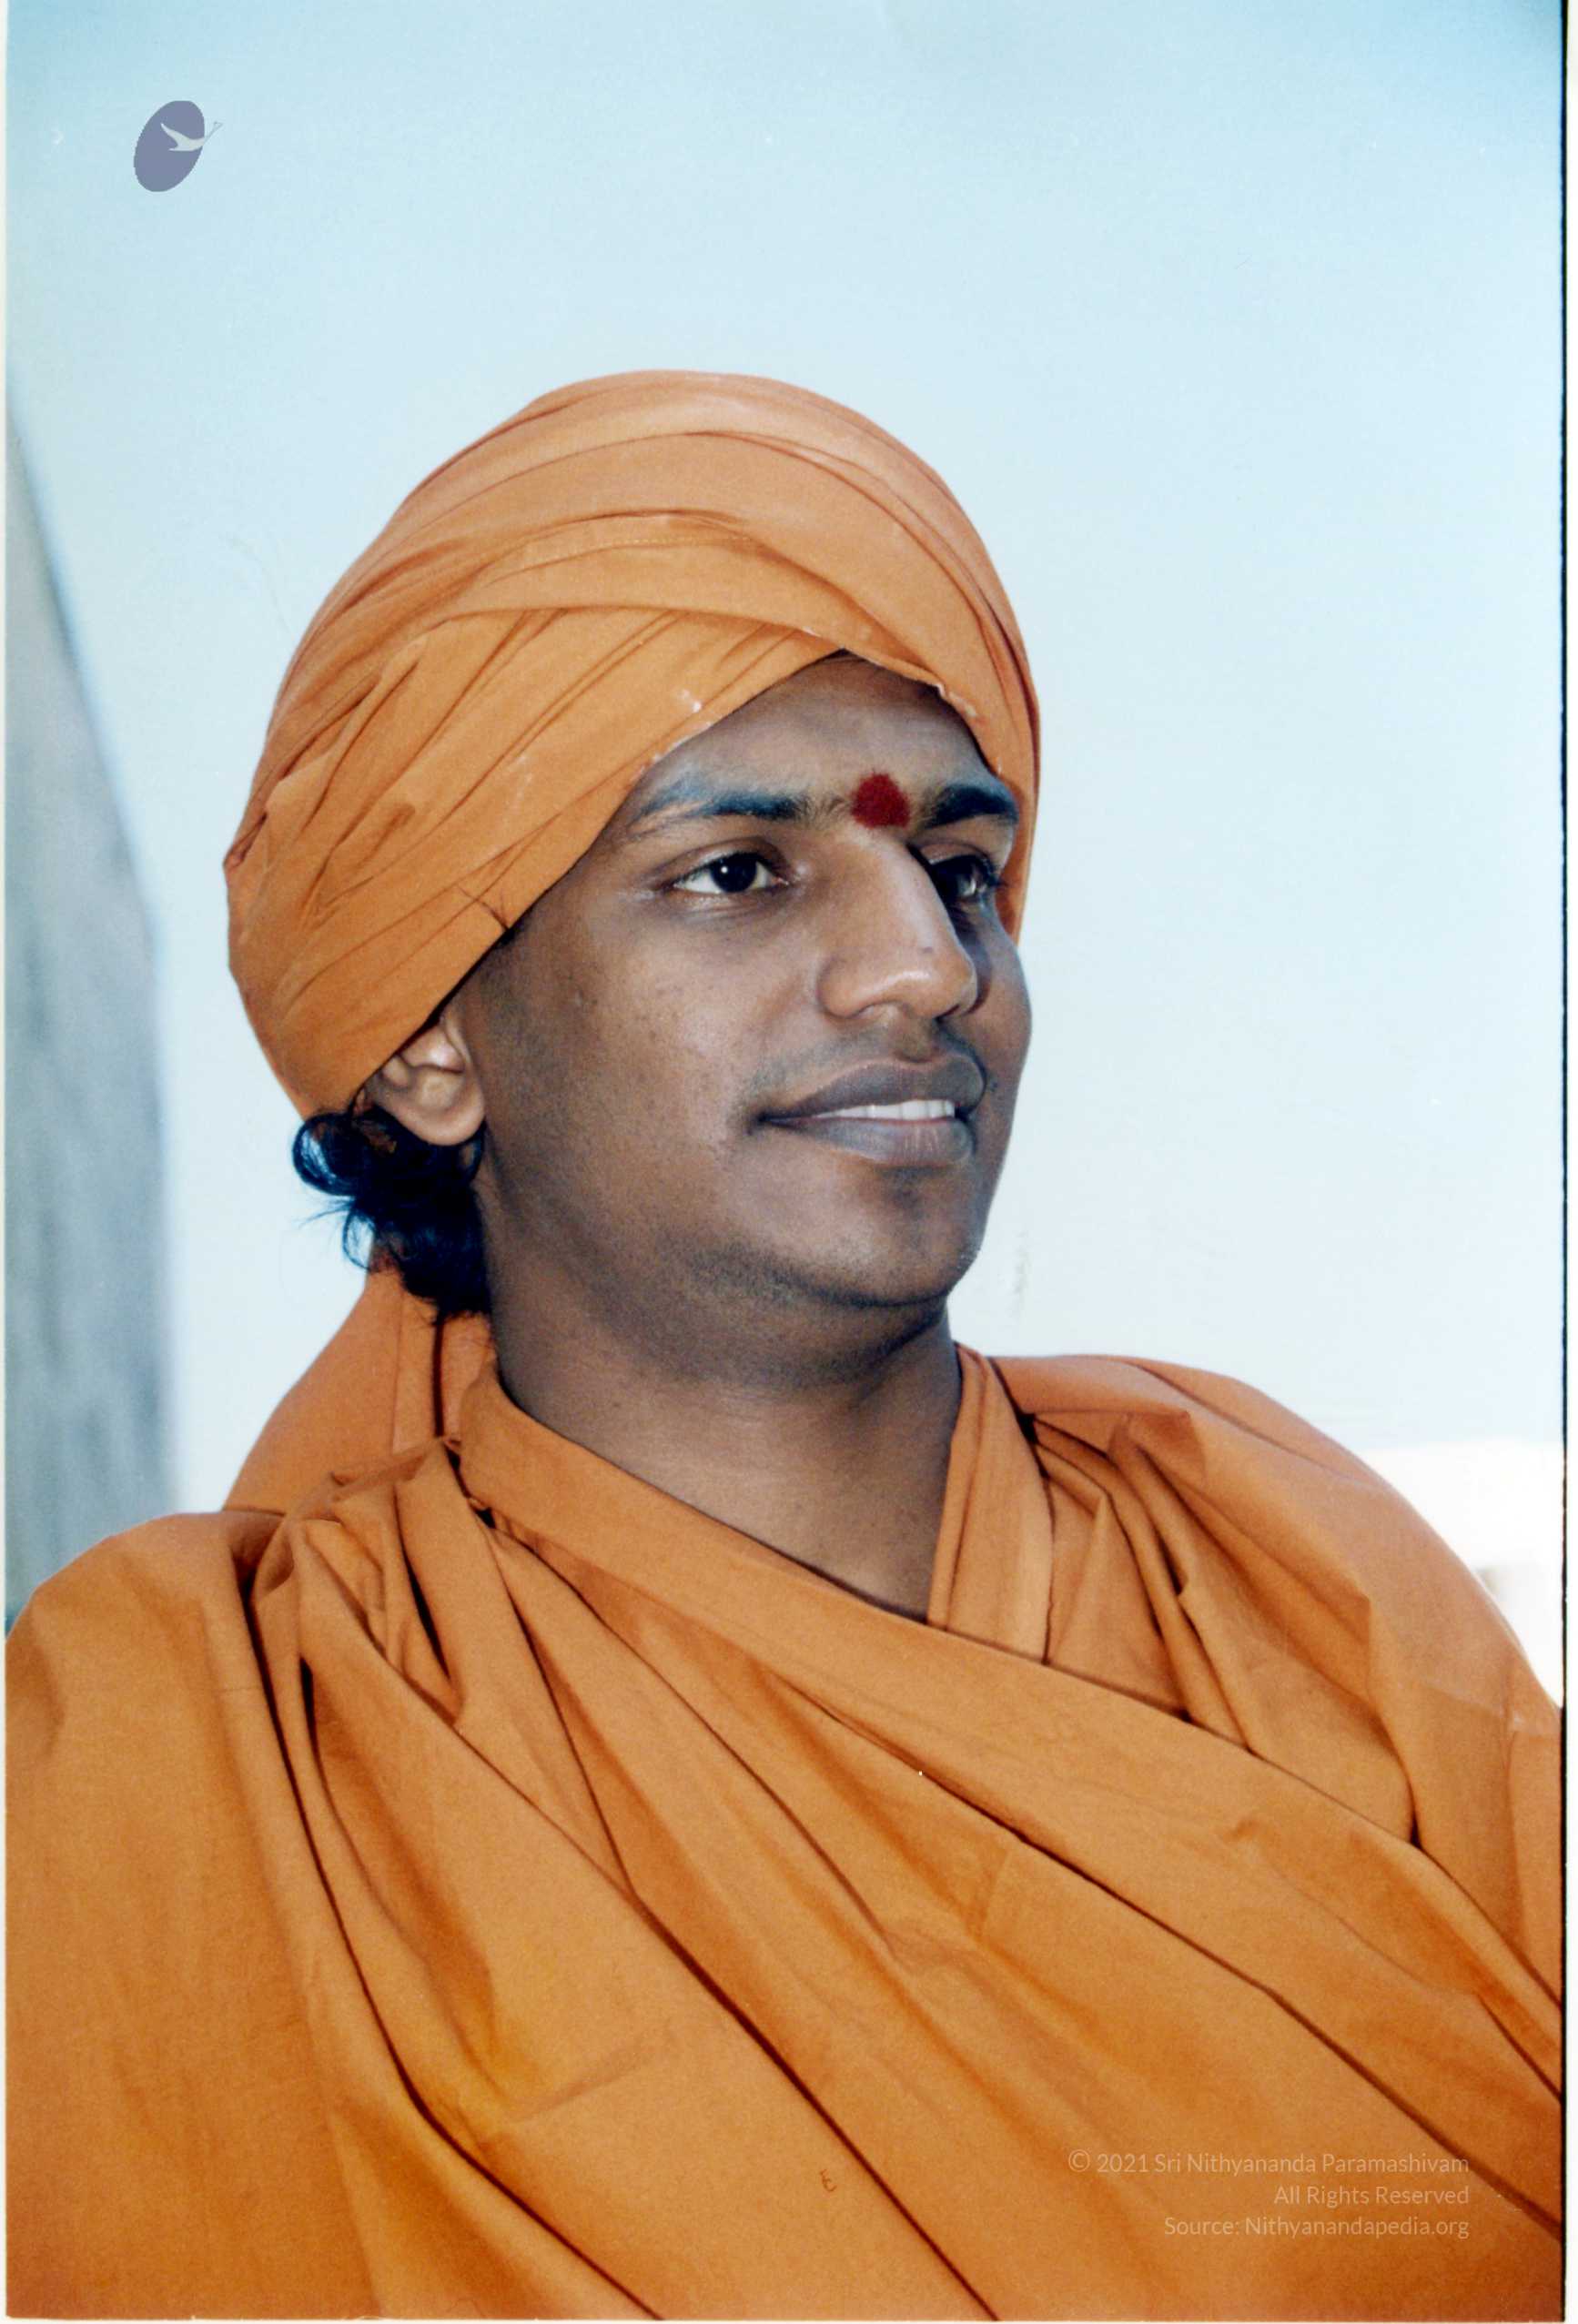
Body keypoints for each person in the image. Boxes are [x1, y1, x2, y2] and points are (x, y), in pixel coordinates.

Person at [7, 373, 1559, 2321]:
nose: (930, 962)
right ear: (428, 1040)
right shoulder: (195, 1758)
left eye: (963, 870)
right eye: (737, 871)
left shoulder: (1301, 1587)